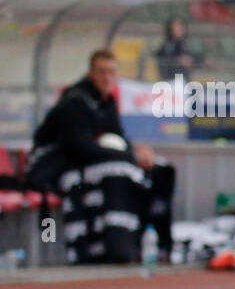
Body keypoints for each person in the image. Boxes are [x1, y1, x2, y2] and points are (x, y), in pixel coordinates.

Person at [26, 51, 175, 264]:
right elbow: (82, 148)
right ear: (91, 74)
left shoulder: (107, 101)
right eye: (101, 72)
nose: (106, 77)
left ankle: (155, 245)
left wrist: (138, 153)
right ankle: (106, 249)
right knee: (119, 170)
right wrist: (129, 155)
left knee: (159, 169)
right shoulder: (75, 101)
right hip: (54, 166)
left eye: (111, 72)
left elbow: (118, 139)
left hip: (90, 163)